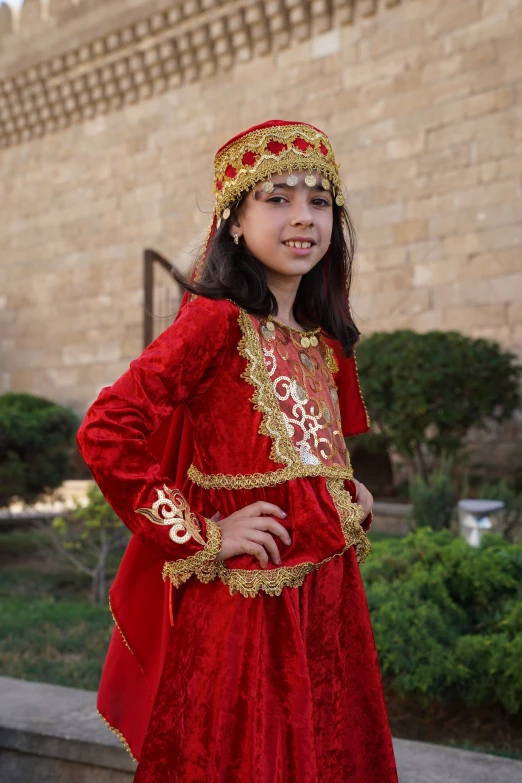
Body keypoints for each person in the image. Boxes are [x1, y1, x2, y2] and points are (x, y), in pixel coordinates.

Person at [77, 119, 399, 782]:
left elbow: (303, 465)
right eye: (276, 199)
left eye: (318, 200)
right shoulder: (217, 319)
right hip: (249, 620)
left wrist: (347, 495)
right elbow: (107, 427)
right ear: (232, 221)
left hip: (328, 616)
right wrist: (201, 532)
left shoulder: (319, 338)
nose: (302, 217)